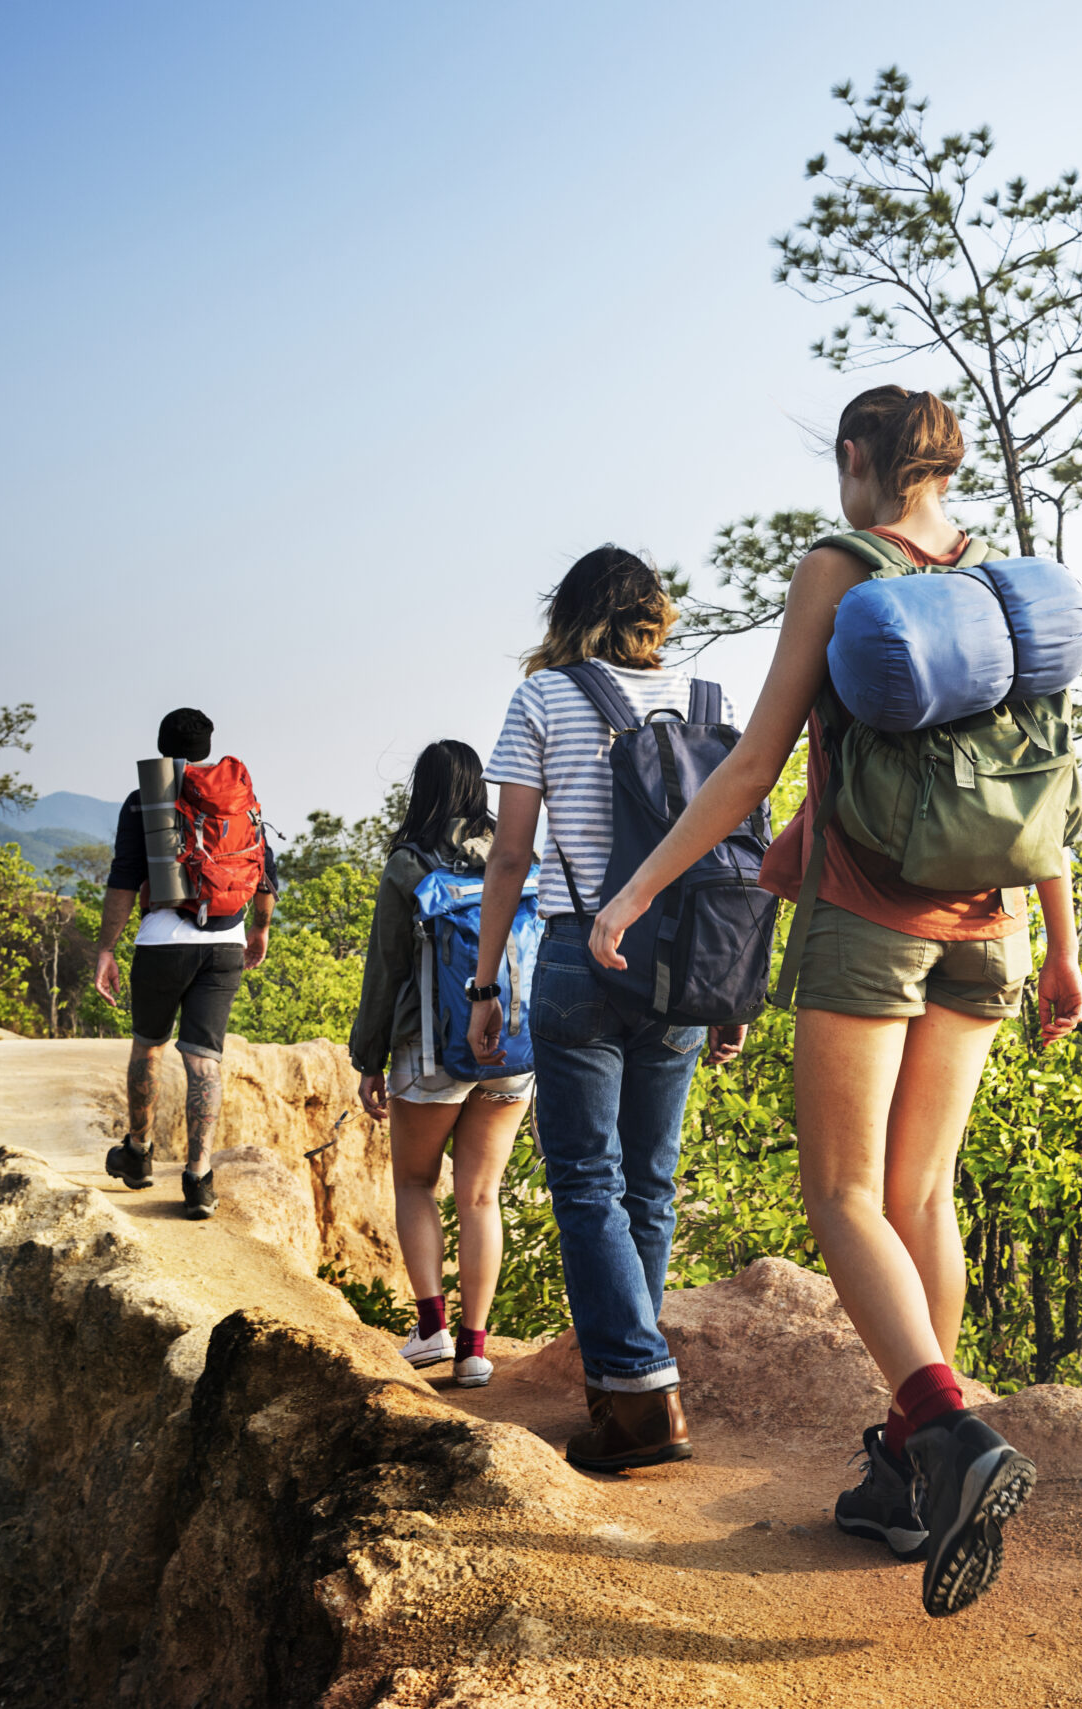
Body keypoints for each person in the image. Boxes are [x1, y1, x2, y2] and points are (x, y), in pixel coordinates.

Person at [588, 387, 1082, 1617]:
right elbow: (1042, 780)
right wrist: (1065, 946)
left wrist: (637, 890)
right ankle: (904, 1476)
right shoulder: (1003, 588)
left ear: (858, 461)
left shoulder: (839, 569)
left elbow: (753, 759)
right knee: (925, 1194)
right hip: (999, 922)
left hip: (874, 928)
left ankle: (950, 1436)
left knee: (845, 1194)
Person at [469, 546, 746, 1472]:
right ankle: (629, 1382)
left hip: (581, 956)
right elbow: (739, 846)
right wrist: (729, 984)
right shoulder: (712, 699)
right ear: (654, 613)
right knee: (649, 1182)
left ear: (571, 612)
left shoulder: (545, 698)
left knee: (587, 1180)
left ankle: (639, 1393)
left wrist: (483, 983)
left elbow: (509, 856)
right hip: (684, 960)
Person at [347, 740, 535, 1389]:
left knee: (415, 1183)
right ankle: (476, 1349)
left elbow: (386, 969)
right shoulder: (515, 852)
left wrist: (368, 1058)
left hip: (430, 1050)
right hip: (510, 1049)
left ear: (422, 791)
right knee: (483, 1193)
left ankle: (431, 1328)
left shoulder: (409, 861)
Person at [95, 707, 278, 1221]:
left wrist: (106, 948)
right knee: (205, 1060)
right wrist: (258, 930)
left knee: (149, 1048)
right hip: (225, 943)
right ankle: (198, 1179)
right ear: (208, 746)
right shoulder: (241, 802)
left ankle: (137, 1154)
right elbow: (264, 876)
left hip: (161, 941)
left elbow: (124, 881)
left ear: (160, 745)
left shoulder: (144, 802)